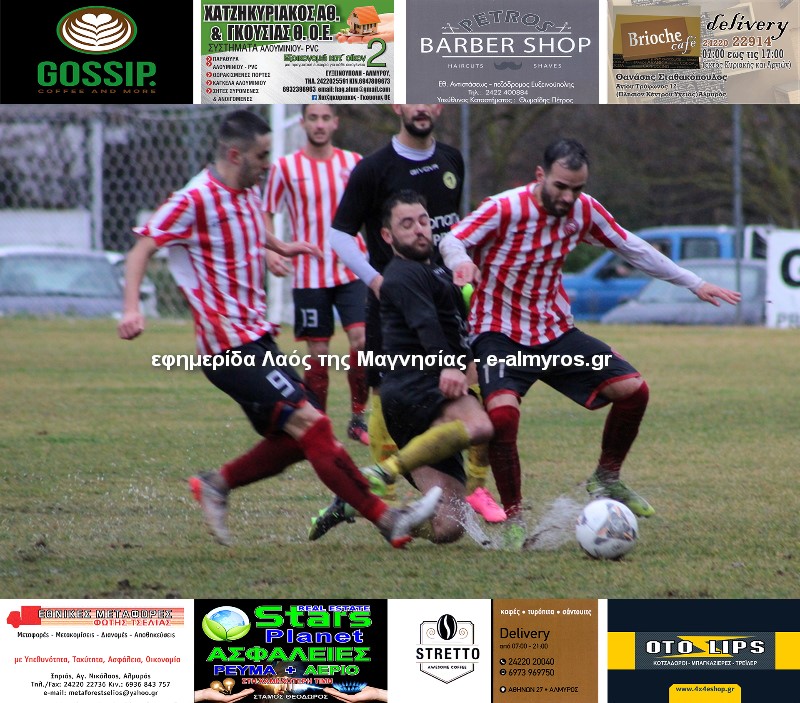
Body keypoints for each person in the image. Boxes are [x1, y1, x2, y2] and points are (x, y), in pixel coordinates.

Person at [117, 109, 441, 549]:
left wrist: (281, 246)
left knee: (295, 440)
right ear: (235, 155)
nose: (268, 164)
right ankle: (388, 519)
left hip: (257, 337)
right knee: (314, 425)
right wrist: (131, 309)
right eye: (262, 155)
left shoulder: (247, 187)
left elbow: (245, 226)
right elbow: (142, 248)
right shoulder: (194, 199)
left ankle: (216, 484)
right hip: (227, 347)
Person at [440, 137, 741, 548]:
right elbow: (452, 239)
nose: (568, 197)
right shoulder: (504, 208)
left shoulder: (584, 211)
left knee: (633, 390)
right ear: (540, 175)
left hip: (555, 334)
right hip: (499, 335)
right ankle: (514, 519)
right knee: (504, 418)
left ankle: (606, 477)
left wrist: (695, 282)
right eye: (561, 186)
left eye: (577, 188)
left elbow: (632, 247)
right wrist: (461, 262)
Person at [314, 103, 506, 526]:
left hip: (443, 293)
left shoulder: (452, 158)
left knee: (473, 381)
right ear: (397, 104)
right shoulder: (373, 168)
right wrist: (374, 279)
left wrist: (460, 263)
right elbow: (338, 234)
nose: (421, 106)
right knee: (387, 396)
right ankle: (377, 489)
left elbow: (451, 231)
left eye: (429, 96)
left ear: (440, 104)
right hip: (395, 302)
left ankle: (473, 488)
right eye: (412, 97)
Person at [263, 104, 370, 445]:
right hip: (309, 274)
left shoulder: (353, 162)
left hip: (351, 267)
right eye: (313, 118)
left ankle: (359, 418)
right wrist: (272, 250)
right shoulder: (285, 167)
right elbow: (266, 212)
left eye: (325, 118)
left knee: (363, 340)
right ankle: (319, 426)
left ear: (335, 123)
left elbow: (371, 209)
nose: (320, 124)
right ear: (303, 122)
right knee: (318, 353)